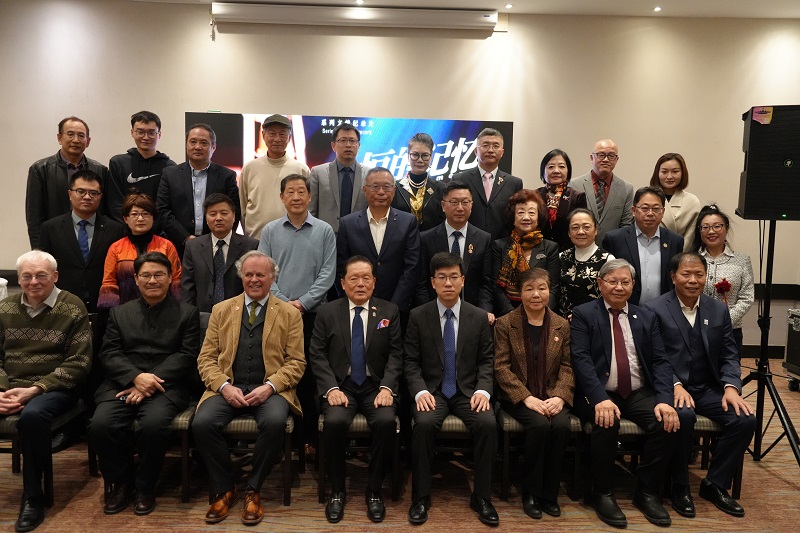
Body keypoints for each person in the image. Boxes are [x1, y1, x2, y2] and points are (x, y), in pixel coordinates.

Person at [192, 251, 305, 526]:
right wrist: (223, 386)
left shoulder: (290, 314)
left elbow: (296, 362)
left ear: (272, 278)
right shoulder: (221, 310)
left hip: (270, 390)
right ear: (241, 277)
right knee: (202, 423)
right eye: (249, 274)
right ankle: (225, 488)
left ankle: (253, 489)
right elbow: (205, 358)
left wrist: (270, 387)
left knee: (275, 422)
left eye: (261, 275)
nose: (254, 280)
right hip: (228, 387)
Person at [89, 252, 201, 516]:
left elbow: (187, 355)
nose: (152, 280)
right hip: (122, 383)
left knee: (153, 425)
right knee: (101, 424)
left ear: (170, 278)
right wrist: (135, 377)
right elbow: (109, 353)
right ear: (136, 279)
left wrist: (149, 380)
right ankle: (120, 483)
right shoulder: (119, 313)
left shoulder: (188, 313)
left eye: (159, 274)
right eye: (146, 275)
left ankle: (145, 487)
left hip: (167, 386)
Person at [645, 253, 756, 518]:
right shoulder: (654, 309)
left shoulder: (717, 309)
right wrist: (674, 384)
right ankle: (679, 485)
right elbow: (653, 357)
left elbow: (729, 354)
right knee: (682, 417)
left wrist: (731, 387)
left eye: (699, 274)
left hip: (707, 388)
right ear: (673, 277)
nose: (693, 280)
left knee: (744, 419)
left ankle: (714, 483)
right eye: (686, 274)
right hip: (671, 387)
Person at [570, 258, 679, 528]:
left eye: (625, 282)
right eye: (612, 281)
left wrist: (665, 401)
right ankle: (603, 492)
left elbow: (660, 361)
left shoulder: (645, 316)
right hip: (599, 391)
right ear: (600, 284)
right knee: (606, 421)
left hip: (637, 391)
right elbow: (581, 360)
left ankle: (647, 491)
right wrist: (600, 399)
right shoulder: (584, 314)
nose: (619, 287)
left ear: (633, 285)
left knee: (666, 423)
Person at [404, 252, 498, 526]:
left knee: (487, 423)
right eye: (442, 277)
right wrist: (420, 391)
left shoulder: (478, 317)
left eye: (454, 277)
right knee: (423, 424)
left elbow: (487, 361)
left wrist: (483, 390)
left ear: (463, 280)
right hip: (433, 392)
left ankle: (482, 497)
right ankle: (421, 496)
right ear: (432, 282)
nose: (448, 283)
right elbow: (410, 361)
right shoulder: (418, 316)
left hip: (468, 392)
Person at [0, 251, 92, 532]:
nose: (34, 282)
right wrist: (1, 391)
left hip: (55, 387)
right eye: (26, 276)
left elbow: (80, 362)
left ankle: (33, 497)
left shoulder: (72, 307)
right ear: (18, 279)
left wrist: (35, 389)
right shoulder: (5, 308)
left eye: (41, 275)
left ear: (55, 276)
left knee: (33, 417)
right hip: (9, 387)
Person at [308, 256, 404, 524]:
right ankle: (337, 490)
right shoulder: (327, 312)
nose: (360, 284)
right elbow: (317, 354)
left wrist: (387, 388)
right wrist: (330, 388)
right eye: (354, 278)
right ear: (343, 283)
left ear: (374, 282)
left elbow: (397, 355)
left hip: (376, 386)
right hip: (341, 386)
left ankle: (374, 490)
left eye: (366, 278)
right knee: (334, 422)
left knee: (386, 421)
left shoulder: (389, 311)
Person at [258, 174, 336, 460]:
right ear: (281, 197)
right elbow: (264, 271)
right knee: (280, 373)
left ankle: (310, 440)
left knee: (311, 378)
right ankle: (284, 441)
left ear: (310, 196)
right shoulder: (270, 231)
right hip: (277, 314)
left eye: (301, 191)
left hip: (314, 315)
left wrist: (302, 303)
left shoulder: (325, 230)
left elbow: (328, 273)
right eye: (290, 192)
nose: (296, 197)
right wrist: (284, 303)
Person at [494, 268, 574, 519]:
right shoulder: (505, 323)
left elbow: (568, 367)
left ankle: (549, 494)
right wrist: (526, 397)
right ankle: (530, 492)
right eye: (529, 289)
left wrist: (559, 396)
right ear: (520, 292)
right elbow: (501, 367)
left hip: (553, 395)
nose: (536, 294)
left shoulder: (562, 325)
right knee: (539, 425)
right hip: (518, 397)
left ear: (550, 291)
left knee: (560, 426)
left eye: (541, 288)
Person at [38, 169, 125, 313]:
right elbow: (44, 267)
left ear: (100, 197)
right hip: (61, 302)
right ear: (70, 194)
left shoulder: (115, 229)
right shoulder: (50, 228)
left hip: (103, 304)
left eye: (93, 193)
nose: (87, 197)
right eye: (81, 191)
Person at [336, 167, 420, 314]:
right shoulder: (348, 223)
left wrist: (395, 307)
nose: (381, 192)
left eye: (387, 187)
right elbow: (341, 267)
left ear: (394, 190)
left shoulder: (408, 222)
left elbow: (412, 268)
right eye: (375, 187)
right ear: (365, 190)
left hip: (397, 307)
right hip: (357, 306)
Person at [157, 123, 241, 256]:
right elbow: (163, 210)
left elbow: (234, 210)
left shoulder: (226, 176)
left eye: (204, 143)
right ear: (186, 145)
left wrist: (219, 237)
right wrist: (185, 238)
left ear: (213, 147)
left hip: (216, 245)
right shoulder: (170, 174)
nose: (197, 147)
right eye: (193, 142)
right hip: (179, 245)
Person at [26, 116, 110, 248]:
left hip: (92, 242)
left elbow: (104, 211)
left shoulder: (100, 170)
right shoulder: (40, 169)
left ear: (88, 141)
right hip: (55, 240)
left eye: (81, 135)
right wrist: (39, 251)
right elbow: (34, 217)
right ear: (59, 138)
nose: (76, 140)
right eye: (70, 134)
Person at [417, 181, 493, 317]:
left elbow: (486, 283)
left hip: (472, 313)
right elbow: (421, 282)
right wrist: (427, 313)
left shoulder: (483, 238)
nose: (460, 208)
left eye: (465, 202)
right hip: (435, 313)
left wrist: (484, 311)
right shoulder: (426, 238)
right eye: (454, 202)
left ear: (471, 205)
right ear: (443, 205)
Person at [690, 205, 754, 357]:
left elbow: (747, 297)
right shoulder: (691, 259)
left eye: (717, 226)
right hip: (695, 328)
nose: (711, 231)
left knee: (728, 369)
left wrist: (723, 322)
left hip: (730, 330)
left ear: (726, 228)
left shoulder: (742, 260)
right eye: (705, 227)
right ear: (700, 231)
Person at [602, 186, 684, 305]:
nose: (650, 213)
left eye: (656, 209)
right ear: (634, 210)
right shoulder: (615, 239)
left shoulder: (675, 241)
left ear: (663, 212)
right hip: (625, 308)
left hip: (663, 309)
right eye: (645, 208)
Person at [98, 193, 181, 309]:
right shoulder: (116, 248)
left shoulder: (167, 245)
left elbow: (176, 280)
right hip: (126, 309)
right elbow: (109, 282)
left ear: (153, 218)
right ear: (125, 219)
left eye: (146, 214)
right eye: (134, 214)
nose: (140, 218)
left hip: (164, 309)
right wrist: (112, 313)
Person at [181, 193, 258, 313]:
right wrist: (189, 316)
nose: (218, 218)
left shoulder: (250, 245)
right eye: (212, 214)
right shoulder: (193, 246)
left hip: (239, 313)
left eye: (224, 213)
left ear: (234, 216)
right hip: (203, 314)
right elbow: (188, 287)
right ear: (206, 219)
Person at [239, 114, 310, 238]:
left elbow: (308, 206)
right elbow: (242, 208)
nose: (277, 139)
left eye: (282, 134)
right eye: (272, 134)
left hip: (292, 239)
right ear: (263, 135)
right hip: (256, 239)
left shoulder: (301, 169)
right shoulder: (249, 168)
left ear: (289, 138)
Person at [491, 189, 560, 316]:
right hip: (508, 314)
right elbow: (496, 287)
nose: (526, 217)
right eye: (521, 212)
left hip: (541, 313)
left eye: (532, 213)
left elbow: (554, 287)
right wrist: (512, 314)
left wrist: (541, 312)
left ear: (538, 218)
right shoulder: (499, 246)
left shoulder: (550, 247)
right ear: (513, 218)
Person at [452, 128, 523, 241]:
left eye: (496, 146)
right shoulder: (460, 179)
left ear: (502, 152)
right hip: (468, 242)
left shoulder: (514, 183)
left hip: (502, 244)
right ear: (476, 151)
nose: (490, 150)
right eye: (485, 145)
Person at [107, 111, 176, 223]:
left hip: (159, 229)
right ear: (132, 133)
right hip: (125, 228)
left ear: (159, 134)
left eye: (151, 133)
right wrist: (130, 226)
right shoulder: (118, 163)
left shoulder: (170, 168)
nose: (146, 137)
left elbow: (168, 205)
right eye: (140, 132)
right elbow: (114, 202)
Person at [309, 122, 369, 233]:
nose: (348, 145)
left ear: (358, 145)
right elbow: (311, 210)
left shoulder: (369, 174)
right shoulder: (318, 173)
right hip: (326, 236)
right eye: (343, 140)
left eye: (352, 141)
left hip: (359, 236)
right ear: (333, 145)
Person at [570, 139, 634, 244]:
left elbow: (626, 226)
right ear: (592, 158)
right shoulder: (574, 185)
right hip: (581, 247)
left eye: (611, 156)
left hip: (613, 249)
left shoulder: (627, 189)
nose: (606, 159)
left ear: (616, 160)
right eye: (601, 155)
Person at [558, 208, 614, 319]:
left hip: (595, 321)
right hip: (563, 322)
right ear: (569, 233)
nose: (581, 232)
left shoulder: (607, 260)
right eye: (575, 228)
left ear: (596, 230)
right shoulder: (561, 257)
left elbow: (612, 296)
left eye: (586, 227)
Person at [535, 149, 587, 251]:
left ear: (568, 171)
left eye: (561, 167)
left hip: (568, 252)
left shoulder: (577, 197)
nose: (556, 171)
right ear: (543, 171)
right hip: (538, 251)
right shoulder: (534, 196)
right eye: (551, 167)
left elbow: (580, 227)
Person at [392, 133, 445, 232]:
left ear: (431, 158)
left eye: (425, 155)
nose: (420, 160)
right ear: (408, 156)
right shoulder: (395, 187)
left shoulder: (440, 188)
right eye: (415, 155)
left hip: (431, 241)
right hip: (401, 240)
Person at [649, 153, 701, 250]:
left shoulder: (692, 202)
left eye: (675, 171)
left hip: (681, 254)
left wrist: (679, 256)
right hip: (650, 251)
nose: (669, 176)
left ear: (682, 173)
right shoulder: (647, 198)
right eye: (664, 172)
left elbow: (690, 238)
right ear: (657, 173)